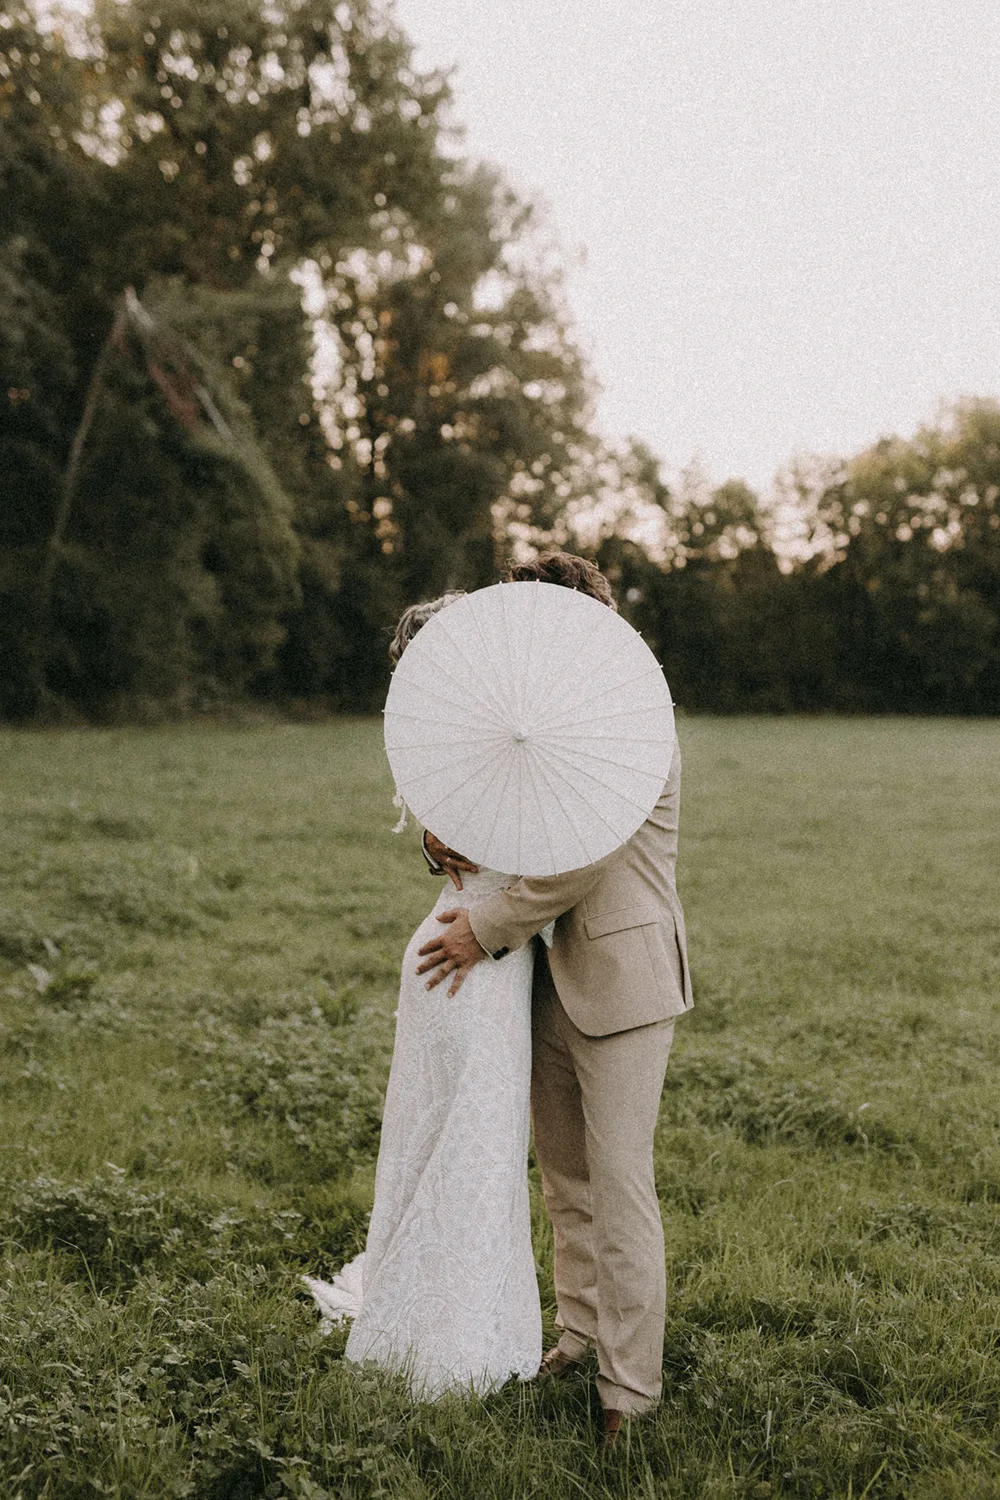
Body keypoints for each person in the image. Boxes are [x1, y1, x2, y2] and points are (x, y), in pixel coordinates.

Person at [417, 552, 693, 1449]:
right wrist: (438, 834)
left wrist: (483, 929)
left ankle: (629, 1391)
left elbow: (584, 855)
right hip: (544, 979)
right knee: (565, 1177)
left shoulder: (632, 718)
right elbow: (503, 826)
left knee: (618, 1188)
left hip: (622, 979)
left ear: (588, 625)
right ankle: (577, 1336)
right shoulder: (550, 723)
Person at [304, 593, 543, 1400]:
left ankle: (452, 1315)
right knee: (462, 1133)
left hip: (464, 944)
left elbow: (452, 854)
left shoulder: (452, 745)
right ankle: (445, 1331)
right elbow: (478, 858)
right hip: (472, 958)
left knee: (460, 1134)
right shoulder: (508, 746)